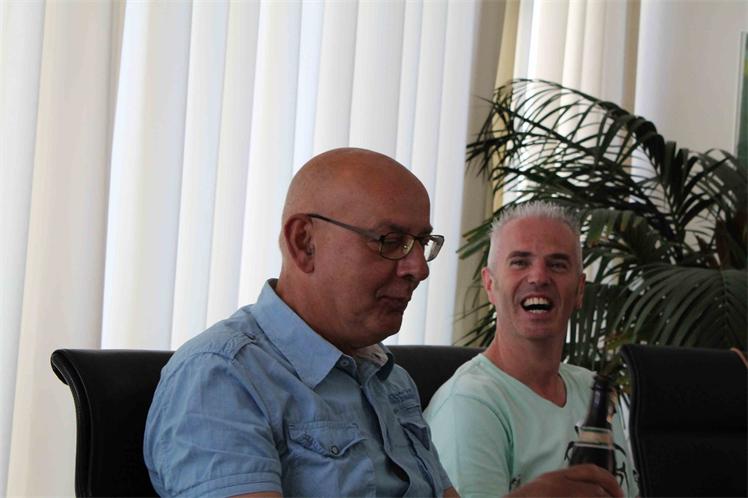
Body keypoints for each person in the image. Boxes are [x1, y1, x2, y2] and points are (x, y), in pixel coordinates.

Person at [144, 148, 459, 497]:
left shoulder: (390, 378)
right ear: (304, 243)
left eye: (422, 243)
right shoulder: (222, 377)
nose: (419, 268)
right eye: (392, 241)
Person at [424, 201, 638, 498]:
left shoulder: (594, 391)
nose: (538, 277)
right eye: (520, 262)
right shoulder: (468, 404)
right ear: (490, 285)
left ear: (579, 290)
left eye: (557, 264)